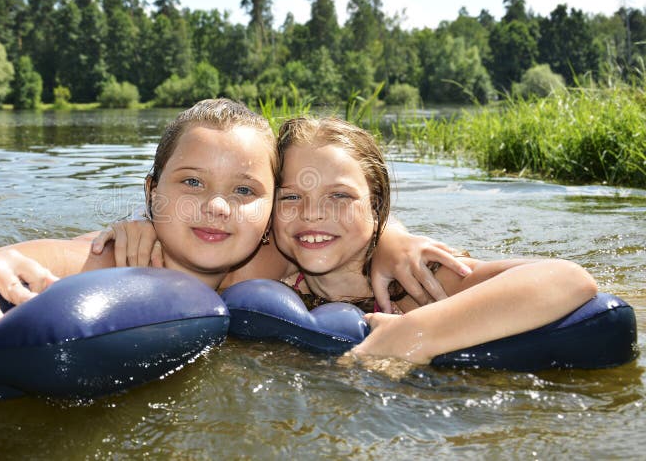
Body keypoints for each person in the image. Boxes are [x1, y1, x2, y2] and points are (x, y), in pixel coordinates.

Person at [97, 117, 599, 365]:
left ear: (377, 207)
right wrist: (139, 229)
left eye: (339, 196)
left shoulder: (415, 280)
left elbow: (568, 280)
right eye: (291, 197)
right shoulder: (266, 271)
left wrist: (410, 336)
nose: (314, 213)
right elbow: (192, 255)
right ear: (269, 215)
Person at [0, 99, 278, 332]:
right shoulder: (107, 259)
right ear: (152, 194)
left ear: (272, 210)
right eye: (192, 182)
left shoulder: (276, 264)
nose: (217, 207)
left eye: (244, 190)